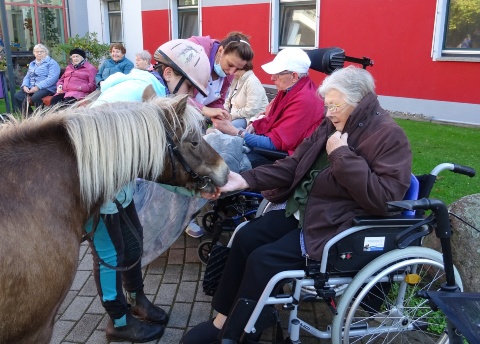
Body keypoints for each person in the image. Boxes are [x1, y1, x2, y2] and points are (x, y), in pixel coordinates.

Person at [180, 65, 413, 344]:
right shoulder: (333, 124)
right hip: (307, 212)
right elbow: (293, 165)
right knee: (246, 237)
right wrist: (243, 180)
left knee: (264, 260)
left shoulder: (389, 136)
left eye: (334, 106)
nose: (328, 113)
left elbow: (384, 200)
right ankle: (224, 316)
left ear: (358, 101)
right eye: (327, 105)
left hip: (337, 225)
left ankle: (237, 332)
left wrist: (341, 156)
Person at [84, 39, 213, 343]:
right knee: (110, 255)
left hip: (121, 188)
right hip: (101, 191)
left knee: (132, 242)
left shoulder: (154, 95)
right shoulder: (134, 94)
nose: (191, 97)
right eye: (190, 87)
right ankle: (118, 320)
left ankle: (137, 300)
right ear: (169, 73)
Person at [212, 47, 325, 167]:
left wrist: (236, 132)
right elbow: (271, 119)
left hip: (287, 159)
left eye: (277, 74)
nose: (272, 78)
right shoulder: (292, 89)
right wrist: (254, 126)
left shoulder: (304, 100)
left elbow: (275, 143)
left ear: (294, 76)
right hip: (275, 150)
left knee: (229, 161)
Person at [188, 31, 254, 121]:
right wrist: (204, 109)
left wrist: (221, 113)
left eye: (237, 69)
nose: (231, 72)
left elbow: (217, 100)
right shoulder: (195, 49)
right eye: (230, 65)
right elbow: (176, 94)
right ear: (220, 51)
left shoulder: (227, 73)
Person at [13, 44, 60, 115]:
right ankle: (30, 117)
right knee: (18, 95)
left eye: (42, 51)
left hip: (47, 88)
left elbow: (52, 78)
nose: (39, 53)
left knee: (35, 97)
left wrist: (37, 87)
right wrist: (25, 85)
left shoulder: (52, 63)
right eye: (37, 51)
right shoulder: (32, 64)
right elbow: (27, 76)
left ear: (46, 53)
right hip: (32, 87)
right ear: (34, 53)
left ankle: (42, 117)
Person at [224, 61, 269, 129]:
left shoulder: (252, 82)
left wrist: (231, 116)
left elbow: (251, 109)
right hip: (235, 115)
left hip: (249, 118)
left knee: (225, 128)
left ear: (241, 67)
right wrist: (224, 112)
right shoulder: (236, 79)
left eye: (232, 69)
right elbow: (228, 99)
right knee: (217, 124)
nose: (230, 72)